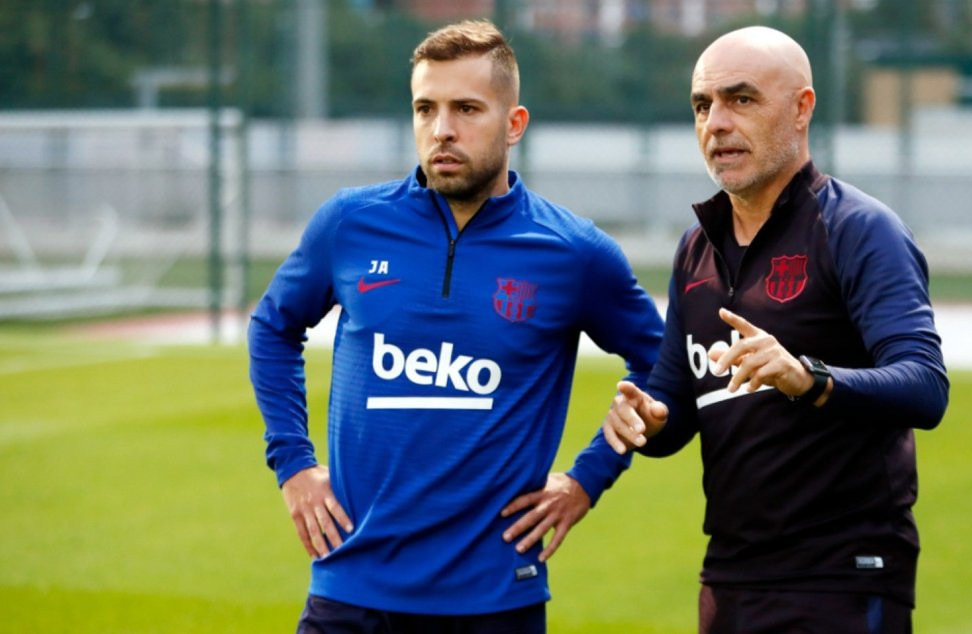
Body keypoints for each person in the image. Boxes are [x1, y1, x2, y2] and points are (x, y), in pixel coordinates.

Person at [248, 19, 663, 633]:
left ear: (514, 124)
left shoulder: (573, 252)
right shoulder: (350, 224)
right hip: (351, 588)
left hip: (494, 601)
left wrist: (588, 478)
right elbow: (271, 327)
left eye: (467, 109)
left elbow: (661, 364)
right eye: (426, 109)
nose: (442, 129)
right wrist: (293, 465)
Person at [601, 26, 949, 633]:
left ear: (802, 108)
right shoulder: (695, 249)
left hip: (843, 577)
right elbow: (674, 402)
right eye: (702, 106)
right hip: (730, 579)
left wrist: (809, 378)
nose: (716, 123)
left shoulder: (859, 229)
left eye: (742, 100)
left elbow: (924, 385)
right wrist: (647, 421)